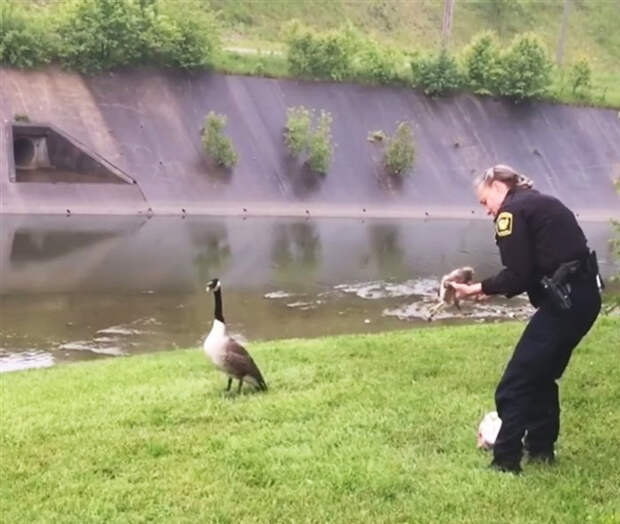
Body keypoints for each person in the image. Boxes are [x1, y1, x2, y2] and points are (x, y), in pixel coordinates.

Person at [450, 164, 602, 474]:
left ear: (497, 186)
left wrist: (477, 288)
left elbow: (518, 275)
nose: (487, 211)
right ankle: (542, 450)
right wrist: (489, 289)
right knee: (541, 375)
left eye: (484, 202)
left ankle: (505, 461)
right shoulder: (539, 202)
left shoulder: (512, 212)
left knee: (515, 382)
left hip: (565, 303)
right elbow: (532, 269)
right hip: (584, 298)